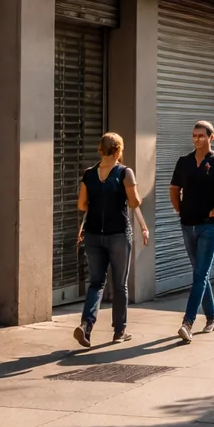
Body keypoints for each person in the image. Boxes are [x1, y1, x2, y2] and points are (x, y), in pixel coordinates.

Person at [74, 132, 150, 348]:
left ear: (101, 149)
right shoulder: (125, 173)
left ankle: (86, 325)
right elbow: (134, 202)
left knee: (96, 282)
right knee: (120, 284)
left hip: (93, 235)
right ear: (118, 150)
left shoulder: (89, 174)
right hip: (118, 234)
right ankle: (119, 331)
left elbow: (81, 205)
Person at [170, 120, 214, 343]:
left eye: (201, 135)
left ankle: (187, 323)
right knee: (201, 273)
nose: (197, 139)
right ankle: (213, 316)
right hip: (187, 224)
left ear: (211, 137)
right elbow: (174, 188)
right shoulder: (184, 162)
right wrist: (179, 210)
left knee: (199, 274)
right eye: (194, 135)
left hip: (209, 226)